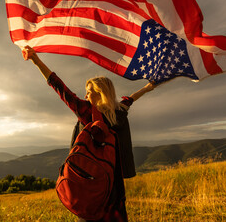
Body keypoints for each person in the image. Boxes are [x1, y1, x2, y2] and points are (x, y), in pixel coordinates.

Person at [22, 46, 156, 221]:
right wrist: (148, 87)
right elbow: (131, 98)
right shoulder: (119, 113)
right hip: (113, 182)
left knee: (90, 214)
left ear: (99, 94)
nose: (85, 95)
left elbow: (59, 87)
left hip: (90, 178)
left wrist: (37, 61)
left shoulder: (86, 112)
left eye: (89, 91)